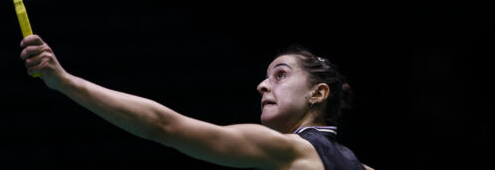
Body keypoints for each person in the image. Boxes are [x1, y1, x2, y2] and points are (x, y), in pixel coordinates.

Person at [19, 35, 373, 170]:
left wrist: (64, 82)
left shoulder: (290, 151)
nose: (262, 85)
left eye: (280, 75)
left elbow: (164, 126)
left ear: (319, 93)